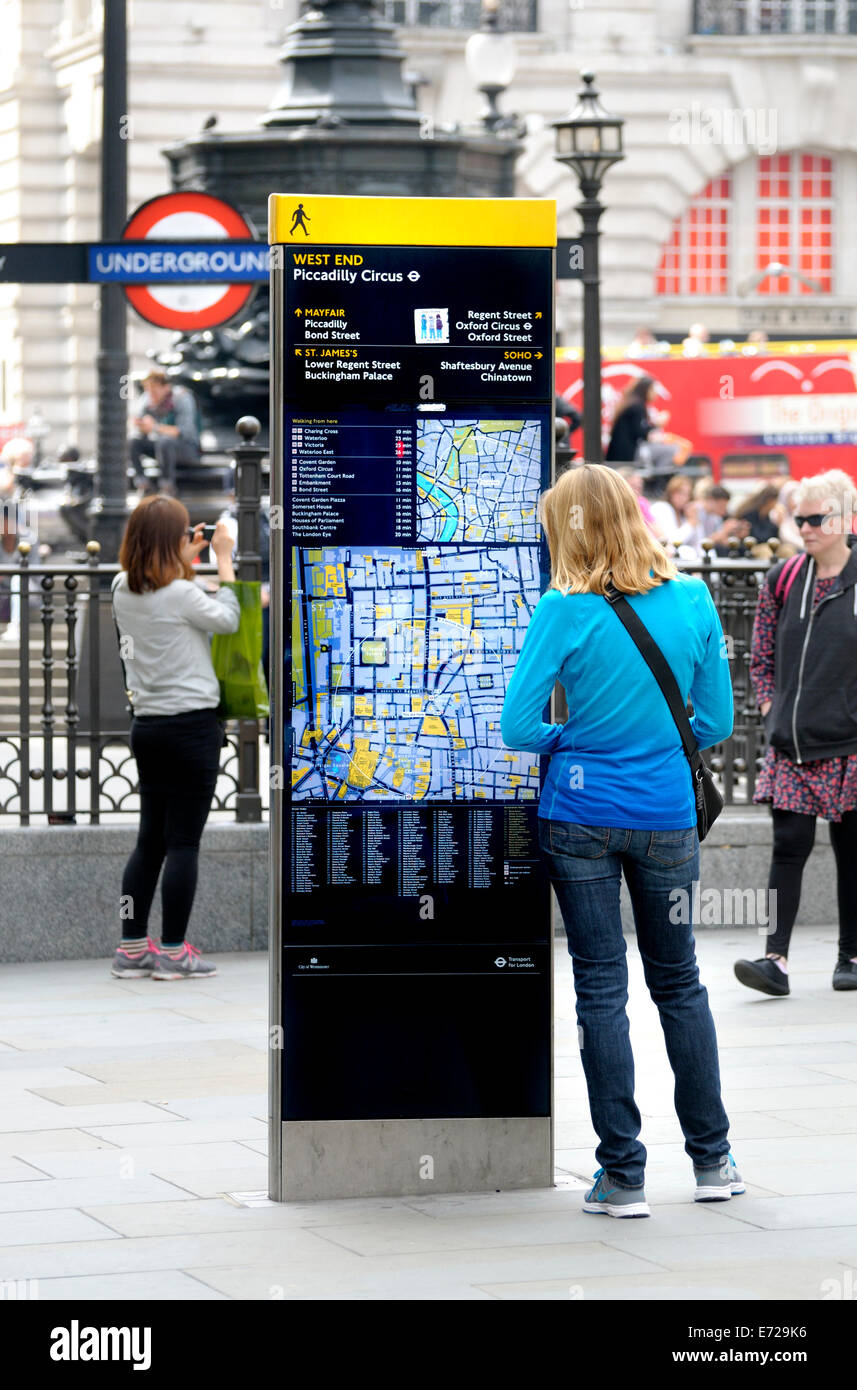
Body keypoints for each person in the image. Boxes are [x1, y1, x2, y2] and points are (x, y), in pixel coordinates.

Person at [501, 463, 740, 1216]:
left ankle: (623, 1176)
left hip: (578, 818)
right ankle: (712, 1160)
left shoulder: (562, 608)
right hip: (668, 818)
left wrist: (570, 739)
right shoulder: (695, 598)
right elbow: (717, 724)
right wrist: (657, 745)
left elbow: (515, 727)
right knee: (679, 983)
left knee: (600, 988)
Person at [735, 469, 857, 996]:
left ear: (846, 520)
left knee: (852, 849)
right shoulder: (783, 579)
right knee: (788, 844)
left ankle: (850, 954)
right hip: (791, 741)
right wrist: (770, 708)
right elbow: (760, 656)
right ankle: (774, 959)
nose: (804, 528)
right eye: (799, 518)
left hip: (849, 743)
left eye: (815, 518)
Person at [110, 494, 240, 981]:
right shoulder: (183, 595)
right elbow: (228, 619)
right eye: (186, 534)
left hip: (148, 729)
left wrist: (186, 558)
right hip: (191, 728)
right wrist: (222, 558)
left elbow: (163, 587)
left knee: (149, 844)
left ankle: (131, 946)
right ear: (173, 541)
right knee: (183, 843)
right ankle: (172, 951)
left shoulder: (122, 587)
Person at [128, 369, 201, 496]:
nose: (151, 395)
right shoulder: (147, 399)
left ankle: (167, 487)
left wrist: (155, 427)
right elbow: (142, 427)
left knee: (164, 441)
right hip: (162, 448)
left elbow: (183, 431)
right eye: (148, 390)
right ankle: (143, 484)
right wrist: (140, 425)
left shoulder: (182, 398)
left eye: (154, 391)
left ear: (166, 387)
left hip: (187, 448)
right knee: (132, 441)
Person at [649, 473, 698, 555]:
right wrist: (690, 522)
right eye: (680, 493)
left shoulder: (685, 513)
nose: (683, 497)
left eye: (687, 494)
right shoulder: (661, 508)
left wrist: (694, 518)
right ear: (671, 493)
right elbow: (672, 542)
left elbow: (697, 542)